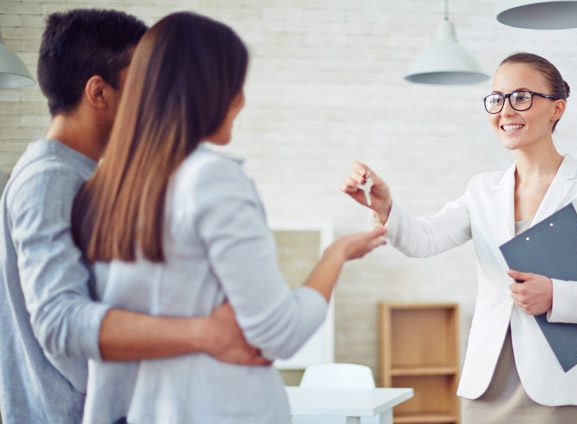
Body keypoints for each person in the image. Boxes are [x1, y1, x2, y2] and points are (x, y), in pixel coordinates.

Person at [70, 11, 387, 424]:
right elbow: (279, 333)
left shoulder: (105, 189)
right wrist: (337, 254)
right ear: (209, 89)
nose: (242, 99)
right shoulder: (212, 179)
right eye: (236, 83)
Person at [342, 52, 577, 423]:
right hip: (487, 386)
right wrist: (385, 207)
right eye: (497, 99)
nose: (505, 111)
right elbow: (422, 240)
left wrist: (557, 295)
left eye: (521, 97)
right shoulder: (482, 190)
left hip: (561, 388)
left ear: (557, 108)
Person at [0, 10, 267, 424]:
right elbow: (60, 321)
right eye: (142, 83)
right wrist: (200, 335)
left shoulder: (84, 173)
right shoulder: (50, 179)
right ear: (98, 92)